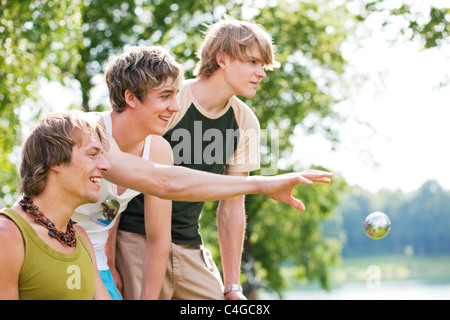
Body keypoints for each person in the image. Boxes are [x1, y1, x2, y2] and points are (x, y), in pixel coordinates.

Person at [70, 45, 331, 300]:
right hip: (57, 251)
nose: (175, 107)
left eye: (175, 96)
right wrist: (262, 184)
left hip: (98, 263)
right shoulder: (90, 132)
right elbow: (165, 183)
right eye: (165, 96)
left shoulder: (159, 148)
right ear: (131, 97)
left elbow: (158, 237)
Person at [0, 111, 112, 300]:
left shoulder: (81, 238)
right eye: (92, 154)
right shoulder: (8, 235)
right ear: (54, 159)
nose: (106, 165)